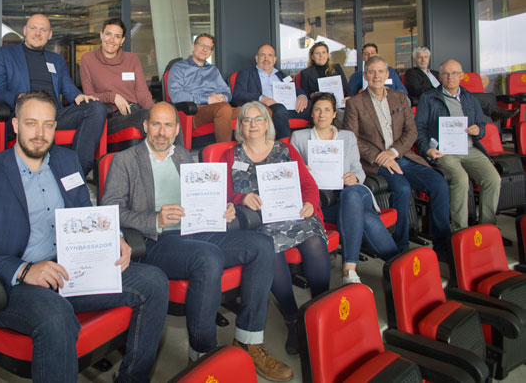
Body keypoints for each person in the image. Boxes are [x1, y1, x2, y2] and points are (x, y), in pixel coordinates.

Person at [0, 90, 168, 383]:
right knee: (56, 316)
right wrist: (25, 270)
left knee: (154, 281)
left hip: (72, 269)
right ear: (14, 125)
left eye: (48, 124)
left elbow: (84, 211)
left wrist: (111, 235)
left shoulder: (67, 161)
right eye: (31, 123)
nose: (40, 134)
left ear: (56, 126)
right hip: (16, 285)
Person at [102, 102, 293, 382]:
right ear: (145, 126)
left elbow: (199, 197)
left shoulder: (181, 155)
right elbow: (111, 211)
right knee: (208, 257)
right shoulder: (126, 160)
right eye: (156, 124)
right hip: (156, 240)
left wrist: (223, 208)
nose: (161, 132)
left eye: (168, 125)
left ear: (177, 130)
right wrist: (155, 217)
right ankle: (202, 354)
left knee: (262, 245)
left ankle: (248, 340)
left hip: (194, 231)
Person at [220, 101, 330, 356]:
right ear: (240, 126)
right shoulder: (230, 156)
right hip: (259, 221)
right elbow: (223, 193)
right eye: (247, 120)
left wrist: (311, 204)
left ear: (267, 123)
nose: (252, 125)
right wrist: (240, 198)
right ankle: (293, 319)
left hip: (294, 213)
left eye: (258, 119)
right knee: (270, 250)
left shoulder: (286, 150)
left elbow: (309, 185)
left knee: (313, 241)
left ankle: (320, 310)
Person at [343, 56, 451, 259]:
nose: (376, 76)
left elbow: (411, 132)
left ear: (387, 74)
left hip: (401, 155)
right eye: (372, 72)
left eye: (380, 71)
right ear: (365, 75)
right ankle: (400, 246)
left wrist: (392, 153)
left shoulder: (400, 98)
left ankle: (442, 245)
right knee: (402, 188)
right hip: (374, 162)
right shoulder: (355, 103)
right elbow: (352, 139)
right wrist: (379, 156)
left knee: (439, 183)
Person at [291, 93, 398, 285]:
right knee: (363, 217)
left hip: (354, 192)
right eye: (317, 109)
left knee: (351, 194)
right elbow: (291, 174)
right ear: (312, 114)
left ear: (334, 114)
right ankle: (400, 266)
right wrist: (301, 172)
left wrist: (355, 177)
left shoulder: (347, 137)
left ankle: (349, 268)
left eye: (326, 110)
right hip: (326, 203)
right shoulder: (299, 137)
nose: (321, 114)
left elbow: (357, 167)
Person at [0, 13, 106, 176]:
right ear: (25, 30)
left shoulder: (56, 59)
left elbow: (68, 88)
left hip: (55, 114)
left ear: (49, 35)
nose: (38, 33)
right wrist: (18, 98)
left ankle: (76, 173)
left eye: (43, 30)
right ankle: (52, 177)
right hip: (25, 114)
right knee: (43, 123)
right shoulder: (4, 54)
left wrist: (79, 97)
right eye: (33, 28)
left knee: (97, 108)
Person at [415, 59, 501, 232]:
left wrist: (479, 131)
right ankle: (460, 231)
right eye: (446, 73)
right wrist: (427, 149)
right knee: (461, 180)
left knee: (493, 179)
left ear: (461, 76)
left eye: (454, 73)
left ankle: (487, 228)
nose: (450, 77)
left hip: (471, 149)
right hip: (444, 152)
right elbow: (419, 129)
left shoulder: (469, 98)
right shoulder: (428, 98)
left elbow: (481, 125)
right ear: (440, 76)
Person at [80, 18, 154, 137]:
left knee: (168, 114)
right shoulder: (88, 59)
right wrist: (112, 96)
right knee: (144, 118)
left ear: (122, 40)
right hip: (112, 117)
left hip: (137, 109)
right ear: (101, 35)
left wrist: (155, 112)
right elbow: (89, 96)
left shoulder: (132, 59)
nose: (111, 40)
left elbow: (142, 92)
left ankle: (178, 154)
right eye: (108, 34)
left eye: (117, 36)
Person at [167, 33, 240, 142]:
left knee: (256, 110)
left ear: (211, 52)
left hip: (219, 107)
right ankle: (224, 152)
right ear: (193, 47)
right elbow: (176, 95)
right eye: (202, 45)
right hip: (195, 112)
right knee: (224, 108)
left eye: (209, 48)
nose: (205, 49)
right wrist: (207, 99)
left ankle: (251, 153)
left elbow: (226, 91)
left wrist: (223, 97)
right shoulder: (179, 67)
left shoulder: (213, 70)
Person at [233, 44, 310, 139]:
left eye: (270, 55)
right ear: (257, 58)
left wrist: (302, 96)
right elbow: (238, 94)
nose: (266, 58)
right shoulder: (246, 73)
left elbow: (294, 88)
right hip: (265, 109)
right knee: (280, 110)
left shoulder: (281, 74)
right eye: (262, 55)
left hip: (288, 108)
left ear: (274, 59)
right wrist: (262, 98)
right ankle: (284, 146)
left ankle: (310, 143)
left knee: (313, 107)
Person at [298, 42, 352, 123]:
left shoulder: (337, 68)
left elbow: (347, 90)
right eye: (317, 53)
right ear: (312, 56)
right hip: (319, 107)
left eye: (324, 52)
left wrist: (349, 97)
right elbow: (305, 95)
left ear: (327, 55)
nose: (321, 56)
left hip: (339, 104)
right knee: (341, 116)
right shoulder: (306, 73)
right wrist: (312, 95)